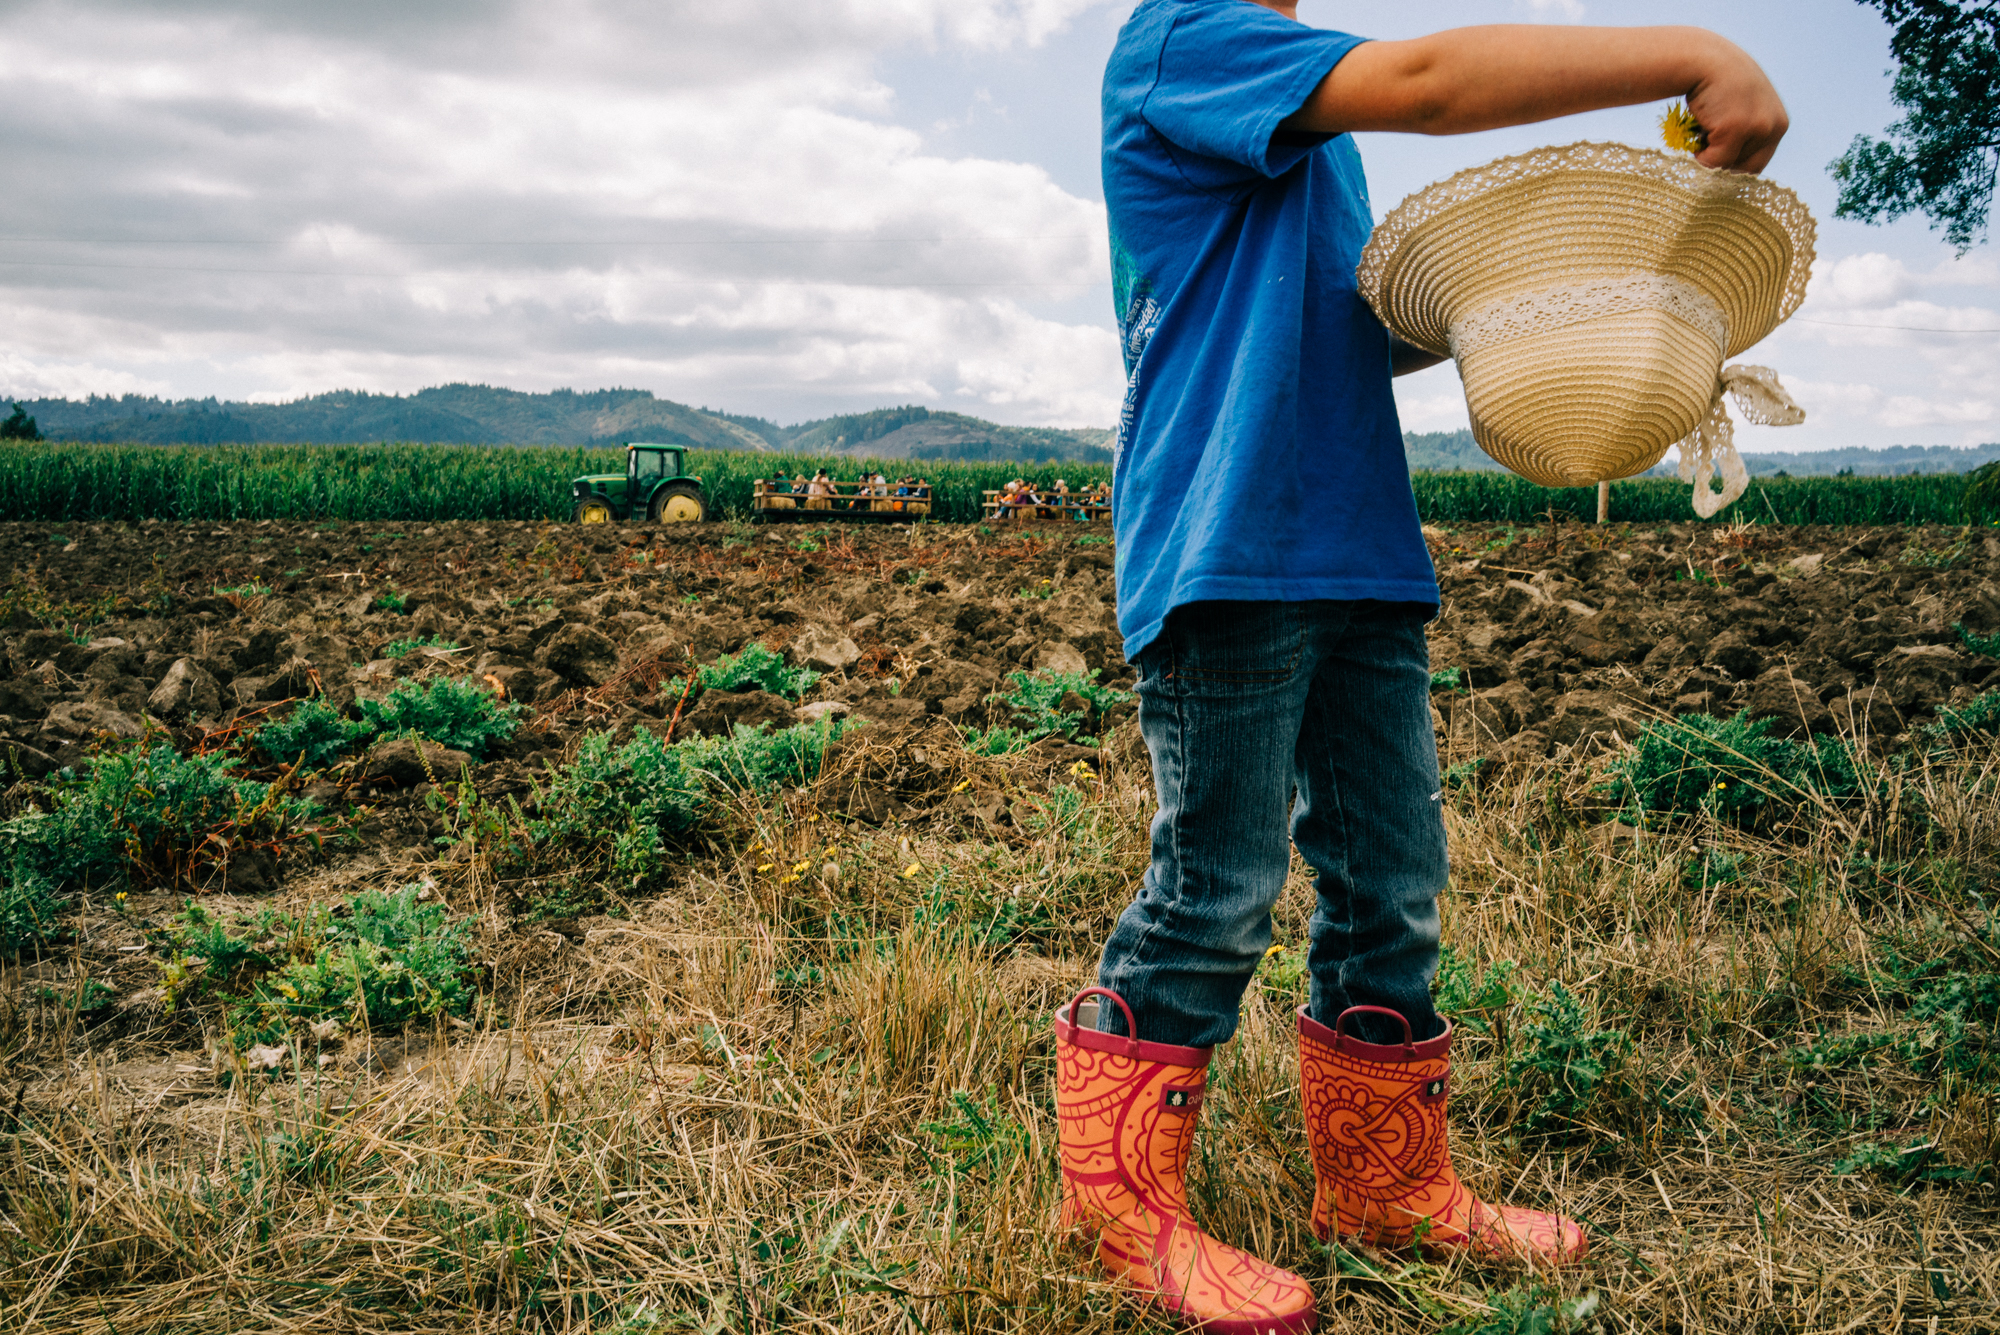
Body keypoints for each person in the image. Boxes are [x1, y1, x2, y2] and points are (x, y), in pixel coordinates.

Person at [1052, 5, 1790, 1332]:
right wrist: (1692, 54)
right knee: (1215, 889)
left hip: (1355, 541)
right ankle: (1122, 1213)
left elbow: (1364, 321)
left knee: (1392, 883)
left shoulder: (1309, 125)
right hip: (1228, 541)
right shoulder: (1184, 42)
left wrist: (1576, 293)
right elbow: (1432, 82)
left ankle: (1387, 1187)